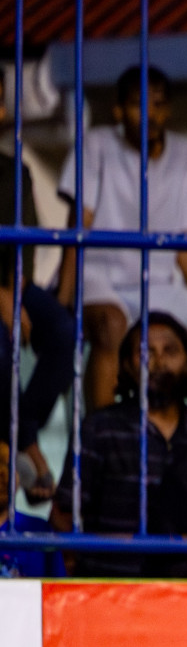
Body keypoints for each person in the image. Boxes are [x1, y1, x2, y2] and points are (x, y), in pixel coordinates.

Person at [55, 66, 187, 412]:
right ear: (119, 111)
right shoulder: (96, 145)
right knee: (111, 325)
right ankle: (103, 433)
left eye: (159, 104)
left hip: (159, 284)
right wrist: (63, 299)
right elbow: (78, 229)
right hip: (100, 279)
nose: (150, 113)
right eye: (139, 104)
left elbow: (185, 250)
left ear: (168, 110)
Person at [50, 313, 187, 577]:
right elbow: (63, 513)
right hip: (112, 583)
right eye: (145, 352)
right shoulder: (100, 427)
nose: (159, 362)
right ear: (126, 365)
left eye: (170, 351)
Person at [0, 68, 73, 503]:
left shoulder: (14, 170)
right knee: (1, 341)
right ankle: (26, 444)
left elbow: (23, 243)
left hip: (10, 283)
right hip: (2, 292)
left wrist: (13, 293)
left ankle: (17, 430)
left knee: (64, 332)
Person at [0, 443, 65, 577]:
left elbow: (58, 586)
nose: (3, 476)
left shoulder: (41, 531)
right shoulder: (40, 531)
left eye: (7, 467)